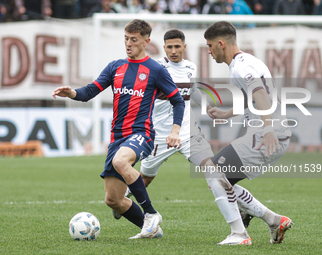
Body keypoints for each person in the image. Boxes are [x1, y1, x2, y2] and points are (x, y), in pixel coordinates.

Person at [113, 28, 255, 235]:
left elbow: (193, 91)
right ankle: (124, 198)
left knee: (215, 172)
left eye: (177, 46)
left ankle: (243, 211)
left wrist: (206, 106)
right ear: (164, 48)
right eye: (169, 47)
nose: (173, 51)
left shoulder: (190, 67)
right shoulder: (156, 68)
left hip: (187, 133)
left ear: (184, 47)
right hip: (160, 135)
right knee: (145, 178)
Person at [52, 19, 185, 239]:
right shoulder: (115, 67)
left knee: (121, 161)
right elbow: (89, 92)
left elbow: (178, 101)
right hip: (117, 138)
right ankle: (152, 230)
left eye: (134, 40)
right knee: (113, 200)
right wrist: (72, 93)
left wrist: (175, 131)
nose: (129, 44)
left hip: (142, 133)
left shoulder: (155, 70)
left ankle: (151, 214)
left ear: (146, 41)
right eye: (126, 39)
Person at [203, 21, 293, 245]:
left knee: (213, 172)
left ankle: (239, 234)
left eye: (210, 45)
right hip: (270, 131)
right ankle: (274, 220)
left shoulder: (241, 66)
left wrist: (269, 129)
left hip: (267, 133)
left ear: (221, 44)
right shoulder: (247, 61)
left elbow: (261, 95)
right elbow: (255, 97)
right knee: (221, 178)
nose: (209, 51)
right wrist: (227, 114)